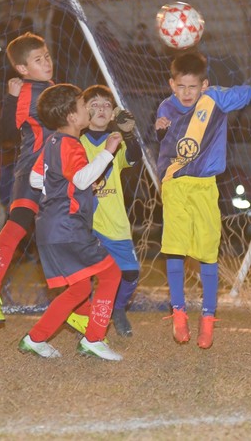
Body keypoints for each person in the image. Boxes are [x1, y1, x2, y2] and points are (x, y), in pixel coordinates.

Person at [155, 52, 251, 349]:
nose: (186, 93)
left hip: (206, 186)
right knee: (175, 248)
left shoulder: (215, 98)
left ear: (204, 85)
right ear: (172, 84)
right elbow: (161, 138)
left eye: (193, 87)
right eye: (181, 86)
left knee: (207, 252)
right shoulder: (166, 107)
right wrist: (159, 128)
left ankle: (208, 317)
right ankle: (179, 312)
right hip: (175, 185)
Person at [20, 83, 124, 360]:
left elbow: (36, 179)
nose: (88, 108)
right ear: (72, 117)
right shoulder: (71, 144)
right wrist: (108, 151)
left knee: (79, 288)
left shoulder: (52, 142)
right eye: (82, 105)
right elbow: (80, 179)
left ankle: (35, 338)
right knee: (111, 274)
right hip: (69, 227)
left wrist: (58, 190)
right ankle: (94, 339)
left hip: (48, 228)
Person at [0, 32, 54, 322]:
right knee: (17, 226)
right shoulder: (28, 92)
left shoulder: (53, 88)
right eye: (38, 60)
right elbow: (8, 132)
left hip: (59, 174)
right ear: (22, 68)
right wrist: (11, 98)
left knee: (62, 234)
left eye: (47, 56)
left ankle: (74, 302)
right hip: (32, 169)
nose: (46, 63)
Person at [79, 85, 142, 337]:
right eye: (94, 105)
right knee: (85, 277)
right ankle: (87, 317)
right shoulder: (77, 142)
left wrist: (129, 134)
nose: (101, 109)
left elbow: (134, 158)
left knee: (130, 272)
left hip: (115, 221)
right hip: (86, 223)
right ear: (83, 110)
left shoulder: (116, 140)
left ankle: (118, 309)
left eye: (107, 105)